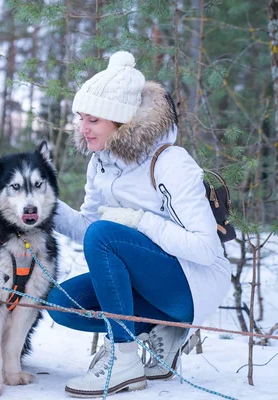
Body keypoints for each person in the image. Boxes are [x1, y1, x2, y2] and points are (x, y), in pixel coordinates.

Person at [48, 51, 231, 397]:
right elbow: (90, 229)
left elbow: (206, 248)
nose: (82, 128)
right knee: (62, 302)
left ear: (120, 121)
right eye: (80, 118)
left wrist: (139, 220)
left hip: (193, 282)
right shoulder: (100, 163)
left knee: (106, 233)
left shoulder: (171, 162)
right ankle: (163, 327)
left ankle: (125, 360)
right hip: (147, 283)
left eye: (93, 120)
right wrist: (46, 206)